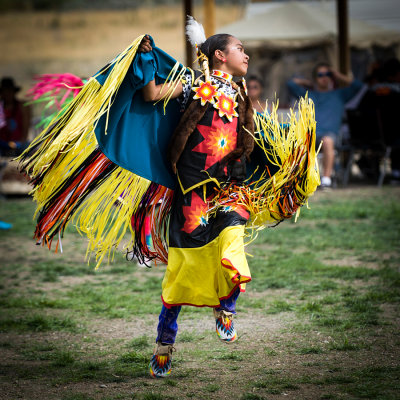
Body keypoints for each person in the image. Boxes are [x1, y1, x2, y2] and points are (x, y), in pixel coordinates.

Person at [18, 18, 318, 380]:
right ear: (221, 55)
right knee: (183, 271)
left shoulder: (240, 93)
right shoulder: (194, 83)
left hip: (229, 188)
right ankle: (164, 343)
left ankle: (226, 308)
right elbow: (151, 95)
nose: (248, 55)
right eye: (241, 49)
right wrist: (146, 61)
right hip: (192, 193)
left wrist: (295, 148)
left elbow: (255, 133)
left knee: (233, 239)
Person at [287, 62, 363, 189]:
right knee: (295, 141)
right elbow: (290, 84)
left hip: (330, 136)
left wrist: (338, 75)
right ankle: (299, 180)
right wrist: (308, 83)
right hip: (309, 135)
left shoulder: (339, 94)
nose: (324, 77)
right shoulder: (309, 94)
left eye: (327, 74)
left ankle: (326, 179)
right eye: (320, 74)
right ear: (315, 78)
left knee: (327, 141)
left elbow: (358, 86)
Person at [0, 77, 31, 157]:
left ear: (14, 92)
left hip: (19, 144)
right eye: (5, 91)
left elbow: (26, 129)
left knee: (28, 148)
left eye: (9, 91)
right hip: (2, 144)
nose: (7, 94)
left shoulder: (23, 107)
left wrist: (18, 143)